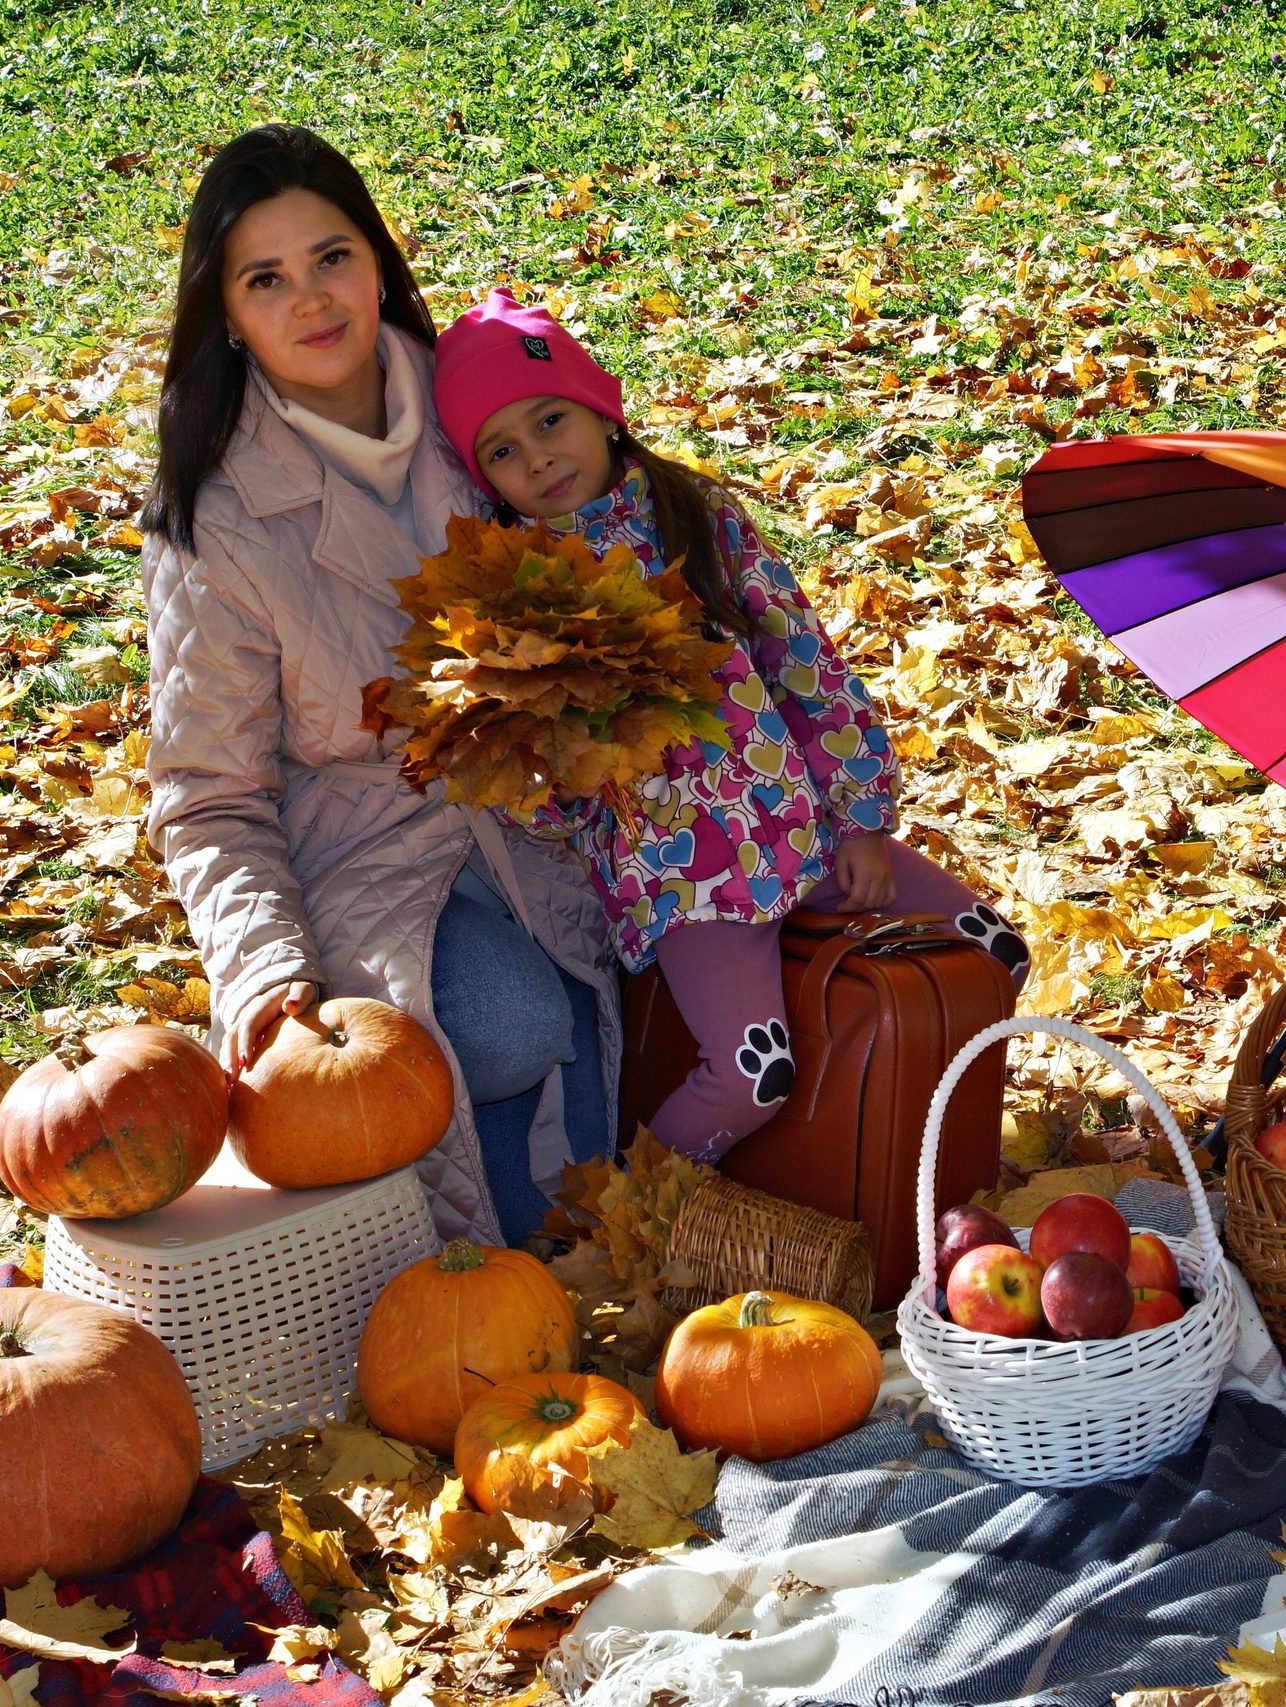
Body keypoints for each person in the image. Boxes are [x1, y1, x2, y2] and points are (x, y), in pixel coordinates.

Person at [138, 126, 615, 1245]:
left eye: (332, 257)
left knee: (648, 974)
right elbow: (206, 793)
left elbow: (612, 524)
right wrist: (264, 965)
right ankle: (479, 1284)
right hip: (368, 857)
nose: (312, 301)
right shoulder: (218, 524)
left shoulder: (473, 406)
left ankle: (602, 1247)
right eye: (267, 279)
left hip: (543, 806)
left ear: (377, 259)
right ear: (228, 315)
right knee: (505, 1024)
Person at [429, 293, 1032, 1159]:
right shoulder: (522, 594)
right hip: (685, 881)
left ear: (600, 407)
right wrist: (553, 767)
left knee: (992, 951)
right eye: (503, 451)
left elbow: (804, 664)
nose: (539, 457)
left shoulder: (697, 520)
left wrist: (859, 816)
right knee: (753, 1071)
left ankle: (922, 1146)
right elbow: (541, 793)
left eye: (550, 418)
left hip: (801, 829)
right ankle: (635, 1209)